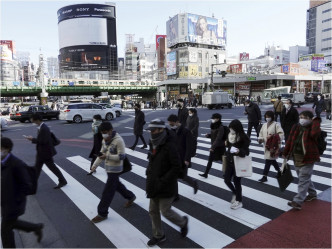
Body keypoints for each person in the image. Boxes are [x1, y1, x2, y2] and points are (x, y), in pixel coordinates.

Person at [145, 119, 188, 246]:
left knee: (165, 211)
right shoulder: (153, 142)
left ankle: (183, 222)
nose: (151, 133)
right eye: (150, 130)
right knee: (153, 210)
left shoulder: (170, 145)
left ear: (161, 129)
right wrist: (149, 172)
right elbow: (152, 160)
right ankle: (159, 235)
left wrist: (163, 180)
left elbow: (176, 166)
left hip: (166, 184)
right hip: (154, 181)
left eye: (154, 130)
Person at [1, 137, 44, 248]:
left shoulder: (16, 164)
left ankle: (36, 228)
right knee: (12, 224)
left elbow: (27, 185)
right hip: (5, 202)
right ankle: (36, 227)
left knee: (5, 232)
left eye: (0, 148)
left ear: (7, 149)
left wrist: (16, 200)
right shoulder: (2, 161)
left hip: (13, 204)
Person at [90, 121, 136, 223]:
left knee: (107, 192)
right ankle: (130, 196)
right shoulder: (104, 140)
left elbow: (122, 156)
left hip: (115, 170)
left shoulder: (118, 140)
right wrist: (95, 165)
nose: (104, 134)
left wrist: (107, 156)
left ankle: (102, 213)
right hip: (109, 169)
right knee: (117, 186)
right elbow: (102, 153)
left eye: (106, 132)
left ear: (111, 130)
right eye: (102, 132)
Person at [282, 111, 321, 210]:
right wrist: (285, 153)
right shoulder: (296, 127)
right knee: (303, 177)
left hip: (308, 157)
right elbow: (290, 140)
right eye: (300, 117)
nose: (301, 119)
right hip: (296, 157)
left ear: (310, 119)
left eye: (304, 117)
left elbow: (314, 134)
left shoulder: (313, 128)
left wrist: (316, 120)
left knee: (303, 179)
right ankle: (312, 194)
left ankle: (297, 201)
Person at [25, 114, 67, 189]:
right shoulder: (42, 127)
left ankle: (62, 180)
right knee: (37, 169)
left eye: (32, 119)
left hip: (45, 153)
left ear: (36, 119)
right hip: (42, 152)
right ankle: (32, 185)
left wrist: (32, 139)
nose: (31, 120)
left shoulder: (44, 128)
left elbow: (43, 141)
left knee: (51, 168)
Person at [168, 114, 199, 199]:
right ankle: (175, 196)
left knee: (183, 176)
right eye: (170, 124)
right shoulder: (172, 131)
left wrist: (187, 159)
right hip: (175, 158)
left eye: (172, 124)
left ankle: (193, 183)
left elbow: (189, 146)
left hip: (183, 158)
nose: (171, 126)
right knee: (174, 177)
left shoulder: (186, 131)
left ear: (177, 122)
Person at [224, 120, 250, 210]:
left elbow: (246, 152)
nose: (231, 130)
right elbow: (230, 147)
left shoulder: (243, 137)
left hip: (238, 162)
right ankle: (236, 193)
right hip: (229, 161)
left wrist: (239, 151)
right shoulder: (230, 136)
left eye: (232, 128)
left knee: (237, 182)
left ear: (237, 128)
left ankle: (239, 201)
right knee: (226, 179)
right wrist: (227, 144)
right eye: (230, 128)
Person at [257, 111, 284, 182]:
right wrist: (260, 139)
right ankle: (279, 171)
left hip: (273, 146)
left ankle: (264, 176)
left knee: (268, 160)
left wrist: (272, 136)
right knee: (272, 160)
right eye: (266, 116)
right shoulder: (264, 125)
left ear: (272, 117)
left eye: (268, 116)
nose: (267, 118)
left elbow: (281, 134)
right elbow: (261, 134)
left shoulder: (276, 125)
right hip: (266, 145)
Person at [199, 113, 227, 178]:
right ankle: (206, 174)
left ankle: (227, 174)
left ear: (218, 119)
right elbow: (214, 136)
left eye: (214, 118)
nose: (212, 119)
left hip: (220, 147)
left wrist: (212, 147)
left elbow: (218, 138)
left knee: (224, 160)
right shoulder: (213, 125)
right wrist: (208, 135)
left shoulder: (221, 127)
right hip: (215, 146)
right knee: (210, 160)